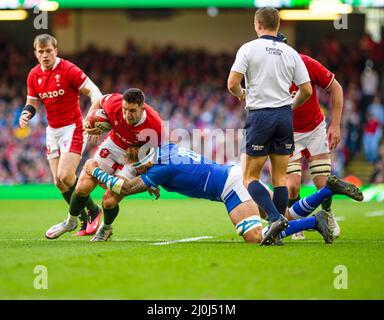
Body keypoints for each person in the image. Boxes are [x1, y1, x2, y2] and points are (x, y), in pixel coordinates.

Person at [80, 144, 363, 243]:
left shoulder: (159, 168)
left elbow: (125, 188)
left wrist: (96, 171)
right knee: (282, 215)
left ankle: (315, 222)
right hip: (234, 173)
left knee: (255, 237)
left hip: (230, 188)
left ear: (144, 161)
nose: (136, 170)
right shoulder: (166, 149)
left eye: (137, 166)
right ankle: (328, 189)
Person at [227, 7, 313, 245]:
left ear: (257, 24)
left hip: (260, 116)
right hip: (284, 117)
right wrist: (290, 106)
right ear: (278, 26)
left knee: (249, 177)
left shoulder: (248, 48)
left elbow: (232, 83)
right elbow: (307, 90)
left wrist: (242, 94)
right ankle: (276, 235)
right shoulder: (290, 52)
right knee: (280, 179)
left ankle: (275, 218)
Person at [45, 88, 164, 240]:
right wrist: (89, 122)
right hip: (113, 144)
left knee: (109, 200)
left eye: (133, 111)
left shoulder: (155, 126)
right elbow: (98, 101)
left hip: (134, 157)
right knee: (82, 187)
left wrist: (150, 181)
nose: (127, 114)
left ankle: (106, 228)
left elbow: (153, 157)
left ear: (142, 107)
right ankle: (70, 222)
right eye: (125, 109)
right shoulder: (114, 102)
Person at [19, 34, 103, 236]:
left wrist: (90, 118)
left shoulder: (68, 70)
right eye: (41, 52)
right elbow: (32, 102)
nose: (45, 55)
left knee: (65, 175)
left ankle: (90, 212)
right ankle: (83, 218)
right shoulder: (33, 75)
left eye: (49, 51)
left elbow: (95, 93)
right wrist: (26, 113)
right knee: (58, 182)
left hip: (73, 128)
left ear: (56, 51)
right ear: (36, 53)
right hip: (52, 131)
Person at [277, 32, 344, 240]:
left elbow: (336, 88)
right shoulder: (268, 72)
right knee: (292, 186)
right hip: (288, 132)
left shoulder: (306, 63)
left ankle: (327, 213)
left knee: (322, 183)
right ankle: (298, 223)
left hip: (315, 129)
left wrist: (335, 124)